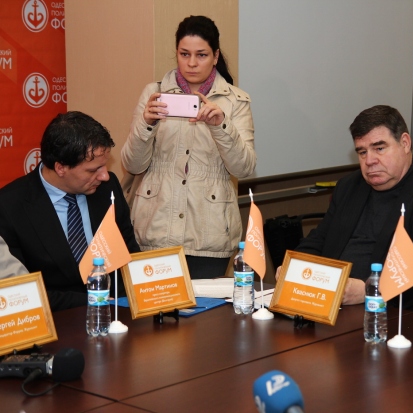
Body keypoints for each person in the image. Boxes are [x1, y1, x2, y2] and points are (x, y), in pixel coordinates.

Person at [290, 105, 413, 320]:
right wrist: (295, 267)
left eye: (379, 148)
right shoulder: (349, 187)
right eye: (362, 152)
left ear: (405, 143)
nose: (369, 161)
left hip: (403, 317)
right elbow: (320, 240)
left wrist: (368, 290)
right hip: (335, 308)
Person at [121, 15, 256, 279]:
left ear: (216, 56)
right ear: (176, 53)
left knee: (205, 306)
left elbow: (244, 168)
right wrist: (147, 123)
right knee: (157, 303)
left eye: (201, 55)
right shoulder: (154, 93)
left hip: (210, 234)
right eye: (184, 54)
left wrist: (221, 125)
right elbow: (133, 164)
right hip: (155, 229)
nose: (192, 63)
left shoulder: (236, 101)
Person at [0, 111, 140, 311]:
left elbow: (130, 254)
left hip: (118, 315)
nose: (105, 176)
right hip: (57, 318)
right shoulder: (10, 206)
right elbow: (21, 293)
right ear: (61, 168)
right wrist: (97, 301)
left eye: (104, 166)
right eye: (93, 170)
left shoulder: (107, 189)